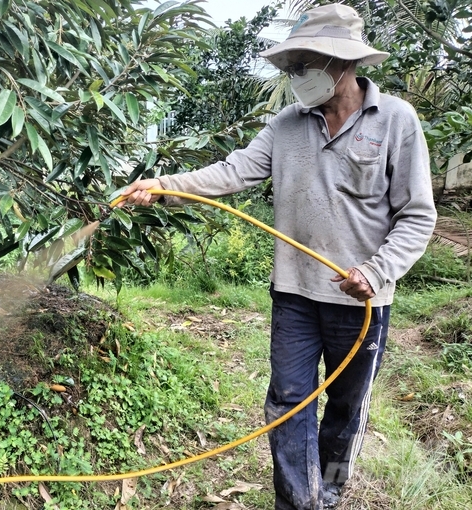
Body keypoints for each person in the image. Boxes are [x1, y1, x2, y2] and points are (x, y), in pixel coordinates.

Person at [116, 4, 437, 509]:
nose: (297, 75)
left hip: (363, 301)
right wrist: (162, 186)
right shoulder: (287, 123)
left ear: (344, 63)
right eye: (292, 64)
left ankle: (330, 486)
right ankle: (297, 501)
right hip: (294, 294)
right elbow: (233, 171)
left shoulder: (396, 120)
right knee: (288, 404)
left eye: (306, 62)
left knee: (346, 412)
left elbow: (417, 215)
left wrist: (375, 272)